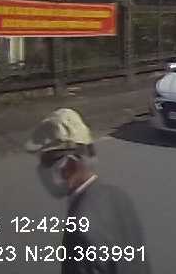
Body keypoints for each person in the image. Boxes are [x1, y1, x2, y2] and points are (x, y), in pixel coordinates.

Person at [25, 108, 150, 274]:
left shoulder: (80, 229)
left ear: (69, 164)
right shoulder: (118, 196)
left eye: (46, 162)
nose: (41, 169)